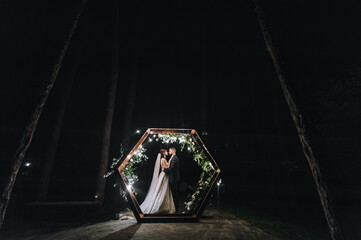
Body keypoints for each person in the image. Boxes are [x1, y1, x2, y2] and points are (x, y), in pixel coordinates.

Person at [140, 149, 175, 214]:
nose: (167, 152)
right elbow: (167, 166)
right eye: (166, 151)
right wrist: (170, 159)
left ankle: (164, 206)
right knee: (164, 189)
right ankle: (162, 207)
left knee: (163, 189)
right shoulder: (163, 159)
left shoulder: (162, 159)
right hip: (164, 175)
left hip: (163, 174)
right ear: (164, 153)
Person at [163, 147, 180, 213]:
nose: (169, 152)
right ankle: (174, 208)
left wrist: (164, 170)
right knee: (173, 193)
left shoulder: (175, 158)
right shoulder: (173, 157)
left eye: (169, 151)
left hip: (174, 179)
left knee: (175, 193)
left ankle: (176, 208)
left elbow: (172, 168)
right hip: (173, 178)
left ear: (173, 151)